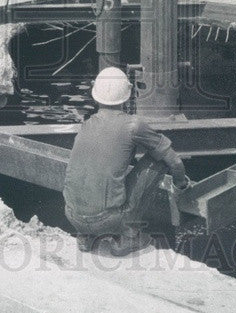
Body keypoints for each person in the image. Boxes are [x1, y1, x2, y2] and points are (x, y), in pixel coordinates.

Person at [63, 67, 190, 256]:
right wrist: (181, 186)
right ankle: (128, 236)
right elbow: (176, 162)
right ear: (127, 95)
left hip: (72, 216)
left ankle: (86, 237)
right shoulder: (133, 125)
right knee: (160, 160)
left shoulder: (86, 124)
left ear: (95, 94)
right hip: (107, 221)